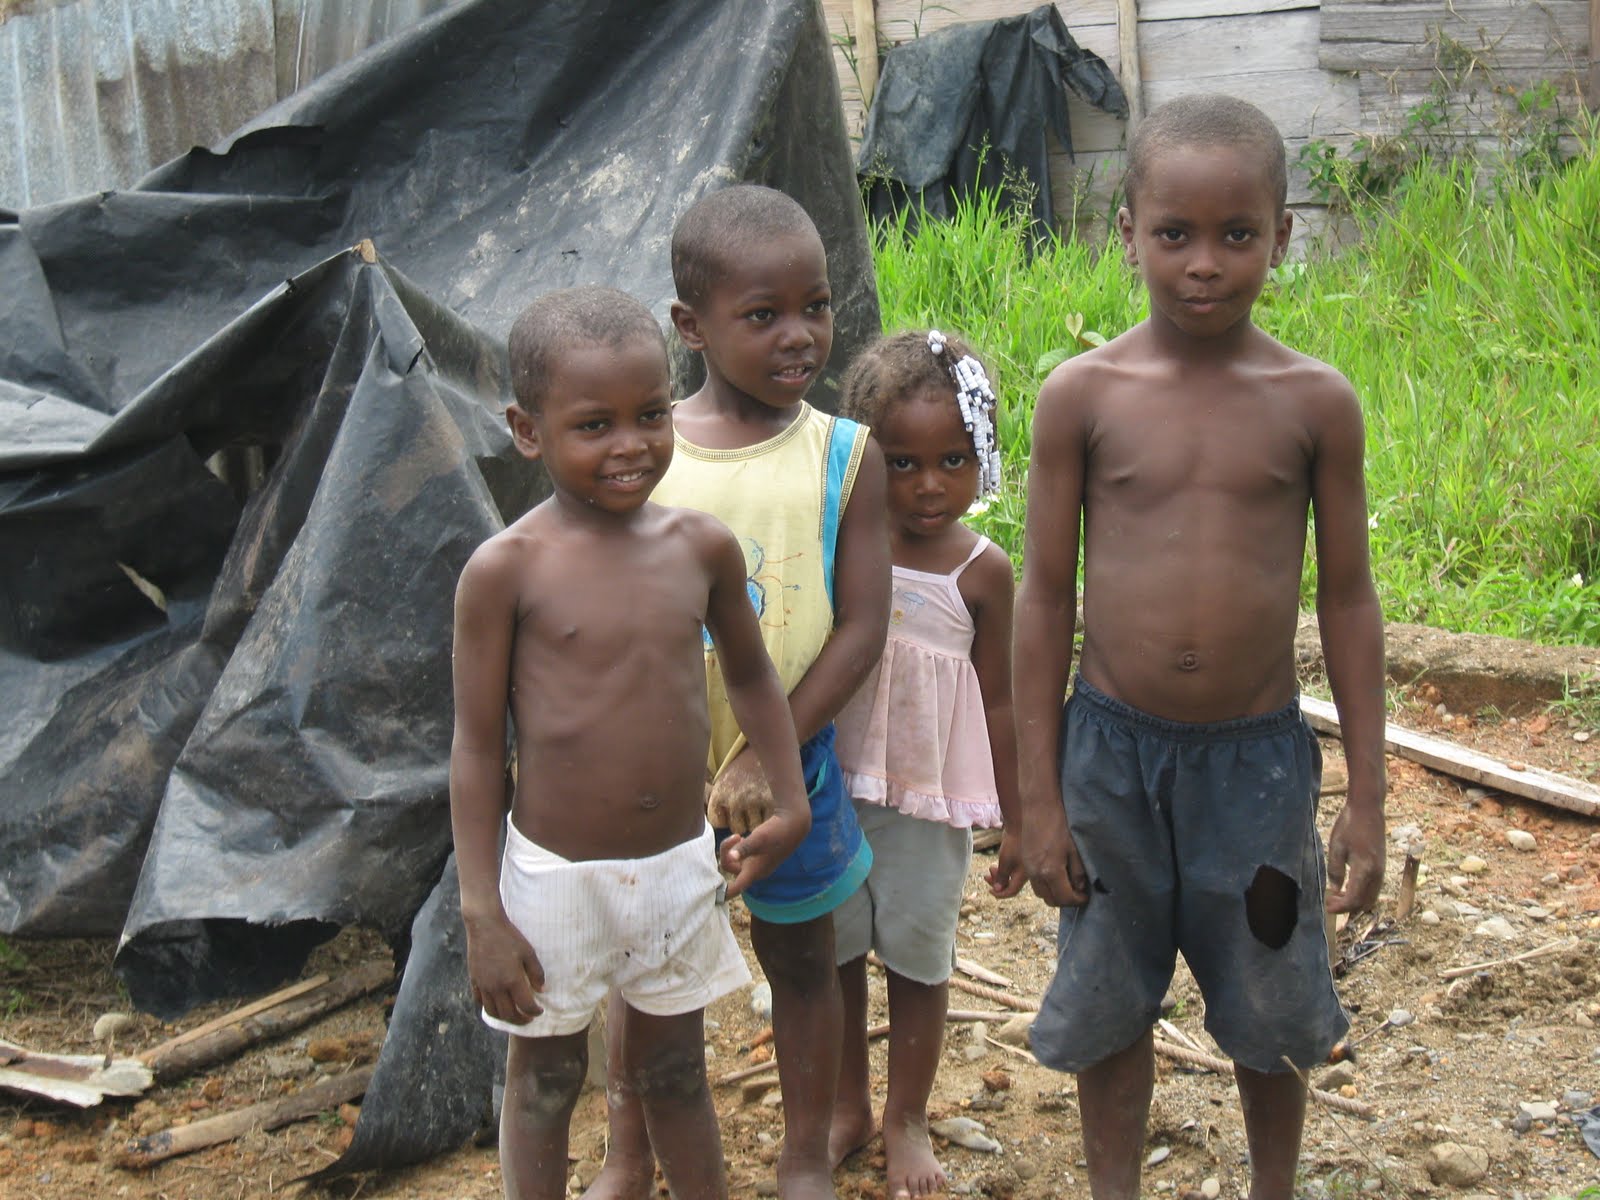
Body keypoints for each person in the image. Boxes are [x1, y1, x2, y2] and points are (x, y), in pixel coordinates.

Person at [1013, 94, 1387, 1200]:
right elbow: (1043, 598)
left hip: (1256, 767)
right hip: (1109, 760)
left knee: (1273, 1005)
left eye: (1238, 234)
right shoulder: (1082, 396)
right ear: (1125, 230)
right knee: (1108, 999)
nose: (1205, 264)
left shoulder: (1314, 403)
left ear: (1284, 234)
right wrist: (1036, 796)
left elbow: (1350, 600)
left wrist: (1367, 797)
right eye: (1174, 233)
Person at [450, 285, 811, 1200]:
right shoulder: (505, 571)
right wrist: (482, 910)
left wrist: (791, 793)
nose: (631, 445)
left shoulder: (701, 548)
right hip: (553, 880)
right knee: (545, 1080)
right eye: (593, 425)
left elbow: (753, 677)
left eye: (651, 415)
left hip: (676, 866)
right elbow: (476, 749)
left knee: (676, 1072)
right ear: (527, 432)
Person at [587, 184, 891, 1200]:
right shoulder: (645, 454)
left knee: (802, 960)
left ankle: (804, 1156)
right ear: (691, 326)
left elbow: (861, 628)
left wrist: (771, 750)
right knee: (643, 971)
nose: (798, 334)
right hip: (658, 769)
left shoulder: (843, 456)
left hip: (791, 763)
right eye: (763, 315)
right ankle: (629, 1155)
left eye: (816, 306)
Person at [826, 329, 1026, 1198]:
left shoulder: (983, 573)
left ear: (985, 457)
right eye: (902, 463)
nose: (929, 485)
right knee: (833, 954)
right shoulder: (840, 543)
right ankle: (845, 1104)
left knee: (918, 958)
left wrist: (1020, 818)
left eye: (954, 460)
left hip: (928, 801)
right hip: (834, 786)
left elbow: (1002, 700)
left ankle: (906, 1114)